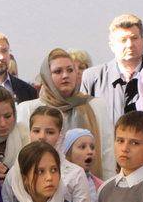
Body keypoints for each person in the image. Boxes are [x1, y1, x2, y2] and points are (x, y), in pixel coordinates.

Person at [18, 48, 114, 179]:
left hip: (90, 185)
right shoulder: (29, 109)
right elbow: (24, 156)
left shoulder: (95, 105)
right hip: (43, 183)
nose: (65, 75)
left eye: (70, 70)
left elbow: (107, 153)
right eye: (58, 71)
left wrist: (107, 186)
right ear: (46, 76)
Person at [2, 106, 93, 202]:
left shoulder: (75, 173)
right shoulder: (16, 171)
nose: (42, 137)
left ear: (60, 135)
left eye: (50, 132)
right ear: (29, 132)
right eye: (36, 131)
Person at [81, 14, 143, 127]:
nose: (130, 45)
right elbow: (83, 122)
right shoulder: (93, 78)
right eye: (123, 40)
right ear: (112, 46)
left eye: (134, 38)